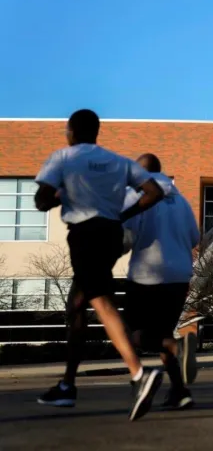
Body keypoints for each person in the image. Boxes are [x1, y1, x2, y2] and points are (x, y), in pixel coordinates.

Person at [34, 109, 166, 422]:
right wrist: (122, 215)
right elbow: (154, 192)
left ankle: (138, 374)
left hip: (85, 234)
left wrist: (63, 192)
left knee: (101, 302)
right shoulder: (118, 161)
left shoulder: (64, 158)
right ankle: (67, 385)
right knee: (77, 306)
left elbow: (41, 201)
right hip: (110, 233)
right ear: (97, 132)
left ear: (70, 131)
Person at [122, 153, 200, 410]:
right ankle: (180, 391)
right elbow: (194, 237)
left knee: (129, 334)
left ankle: (176, 346)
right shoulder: (181, 200)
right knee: (163, 330)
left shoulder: (137, 195)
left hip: (146, 275)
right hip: (179, 275)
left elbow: (127, 238)